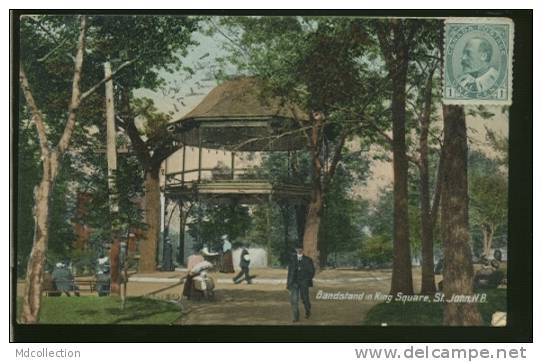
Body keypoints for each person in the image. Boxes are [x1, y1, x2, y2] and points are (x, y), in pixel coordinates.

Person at [287, 246, 315, 322]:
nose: (299, 250)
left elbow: (312, 272)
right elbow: (289, 273)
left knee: (305, 299)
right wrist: (288, 285)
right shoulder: (292, 260)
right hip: (294, 282)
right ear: (295, 249)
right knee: (294, 300)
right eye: (297, 248)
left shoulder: (308, 260)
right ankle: (295, 318)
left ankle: (307, 310)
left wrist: (306, 280)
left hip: (304, 282)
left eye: (300, 248)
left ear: (303, 250)